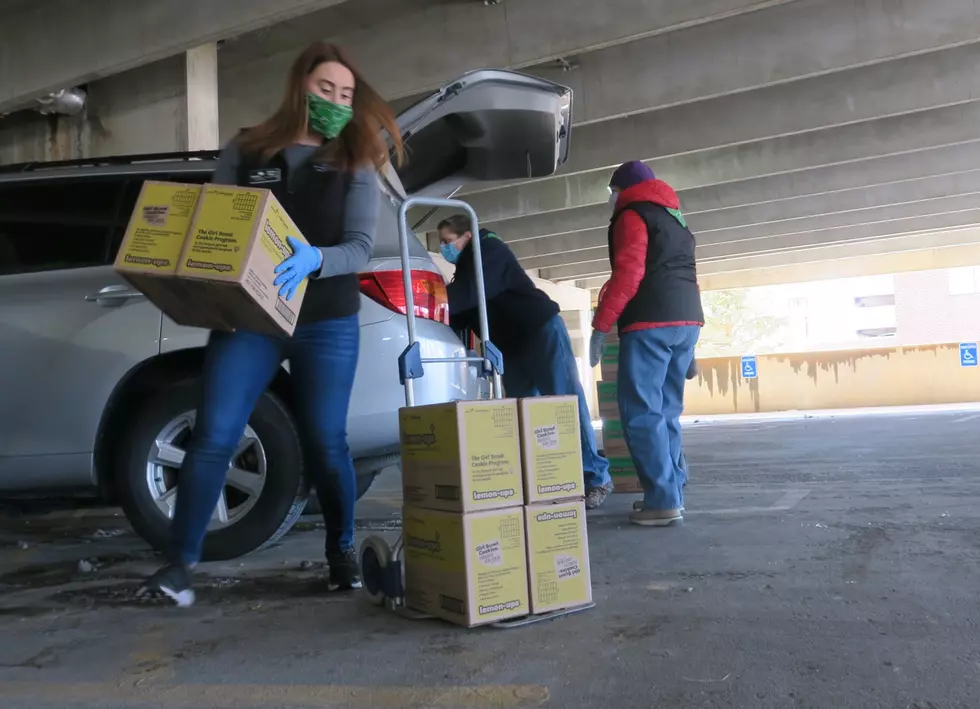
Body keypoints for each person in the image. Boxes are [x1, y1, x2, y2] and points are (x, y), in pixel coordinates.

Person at [139, 42, 405, 606]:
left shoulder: (355, 160)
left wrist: (315, 259)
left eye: (346, 94)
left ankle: (340, 549)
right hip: (250, 317)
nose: (335, 102)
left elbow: (359, 247)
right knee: (215, 431)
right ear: (299, 88)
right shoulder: (250, 148)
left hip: (325, 320)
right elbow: (217, 219)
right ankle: (180, 565)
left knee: (325, 441)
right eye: (325, 89)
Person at [438, 217, 614, 509]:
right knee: (524, 416)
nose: (445, 248)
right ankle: (540, 480)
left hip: (539, 331)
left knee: (565, 405)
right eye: (441, 243)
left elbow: (470, 295)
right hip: (511, 345)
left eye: (448, 241)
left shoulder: (490, 251)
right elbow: (465, 310)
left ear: (467, 236)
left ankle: (596, 477)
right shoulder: (467, 267)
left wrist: (432, 298)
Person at [589, 161, 704, 527]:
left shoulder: (632, 215)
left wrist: (600, 326)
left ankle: (662, 499)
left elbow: (629, 272)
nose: (612, 200)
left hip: (649, 322)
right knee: (667, 411)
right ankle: (673, 492)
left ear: (623, 189)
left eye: (612, 192)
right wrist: (691, 343)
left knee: (640, 412)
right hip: (687, 321)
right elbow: (685, 275)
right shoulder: (676, 220)